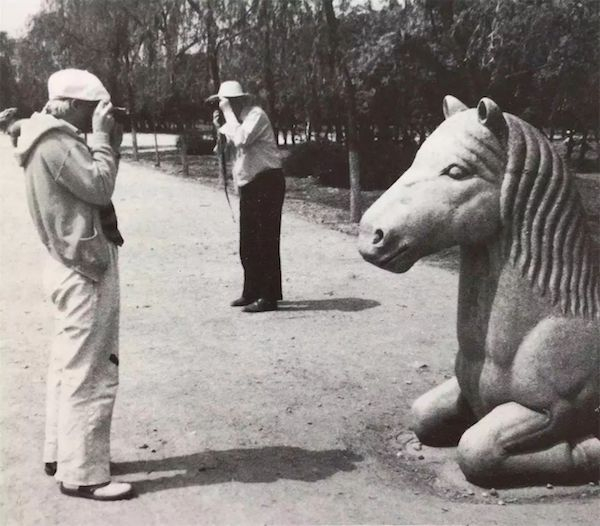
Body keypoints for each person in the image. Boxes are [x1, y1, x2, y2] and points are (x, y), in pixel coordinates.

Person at [14, 69, 133, 500]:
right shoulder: (58, 143)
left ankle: (62, 454)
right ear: (76, 105)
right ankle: (84, 474)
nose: (101, 115)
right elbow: (100, 187)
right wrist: (102, 138)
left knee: (68, 366)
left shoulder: (42, 138)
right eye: (96, 108)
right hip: (85, 267)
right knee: (91, 372)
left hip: (66, 261)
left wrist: (106, 141)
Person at [211, 81, 286, 313]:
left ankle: (269, 296)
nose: (224, 107)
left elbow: (242, 139)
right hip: (251, 184)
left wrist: (226, 114)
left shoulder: (256, 116)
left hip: (267, 181)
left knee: (265, 240)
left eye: (227, 103)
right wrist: (220, 129)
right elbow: (226, 149)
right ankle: (252, 290)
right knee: (248, 242)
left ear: (238, 101)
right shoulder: (235, 123)